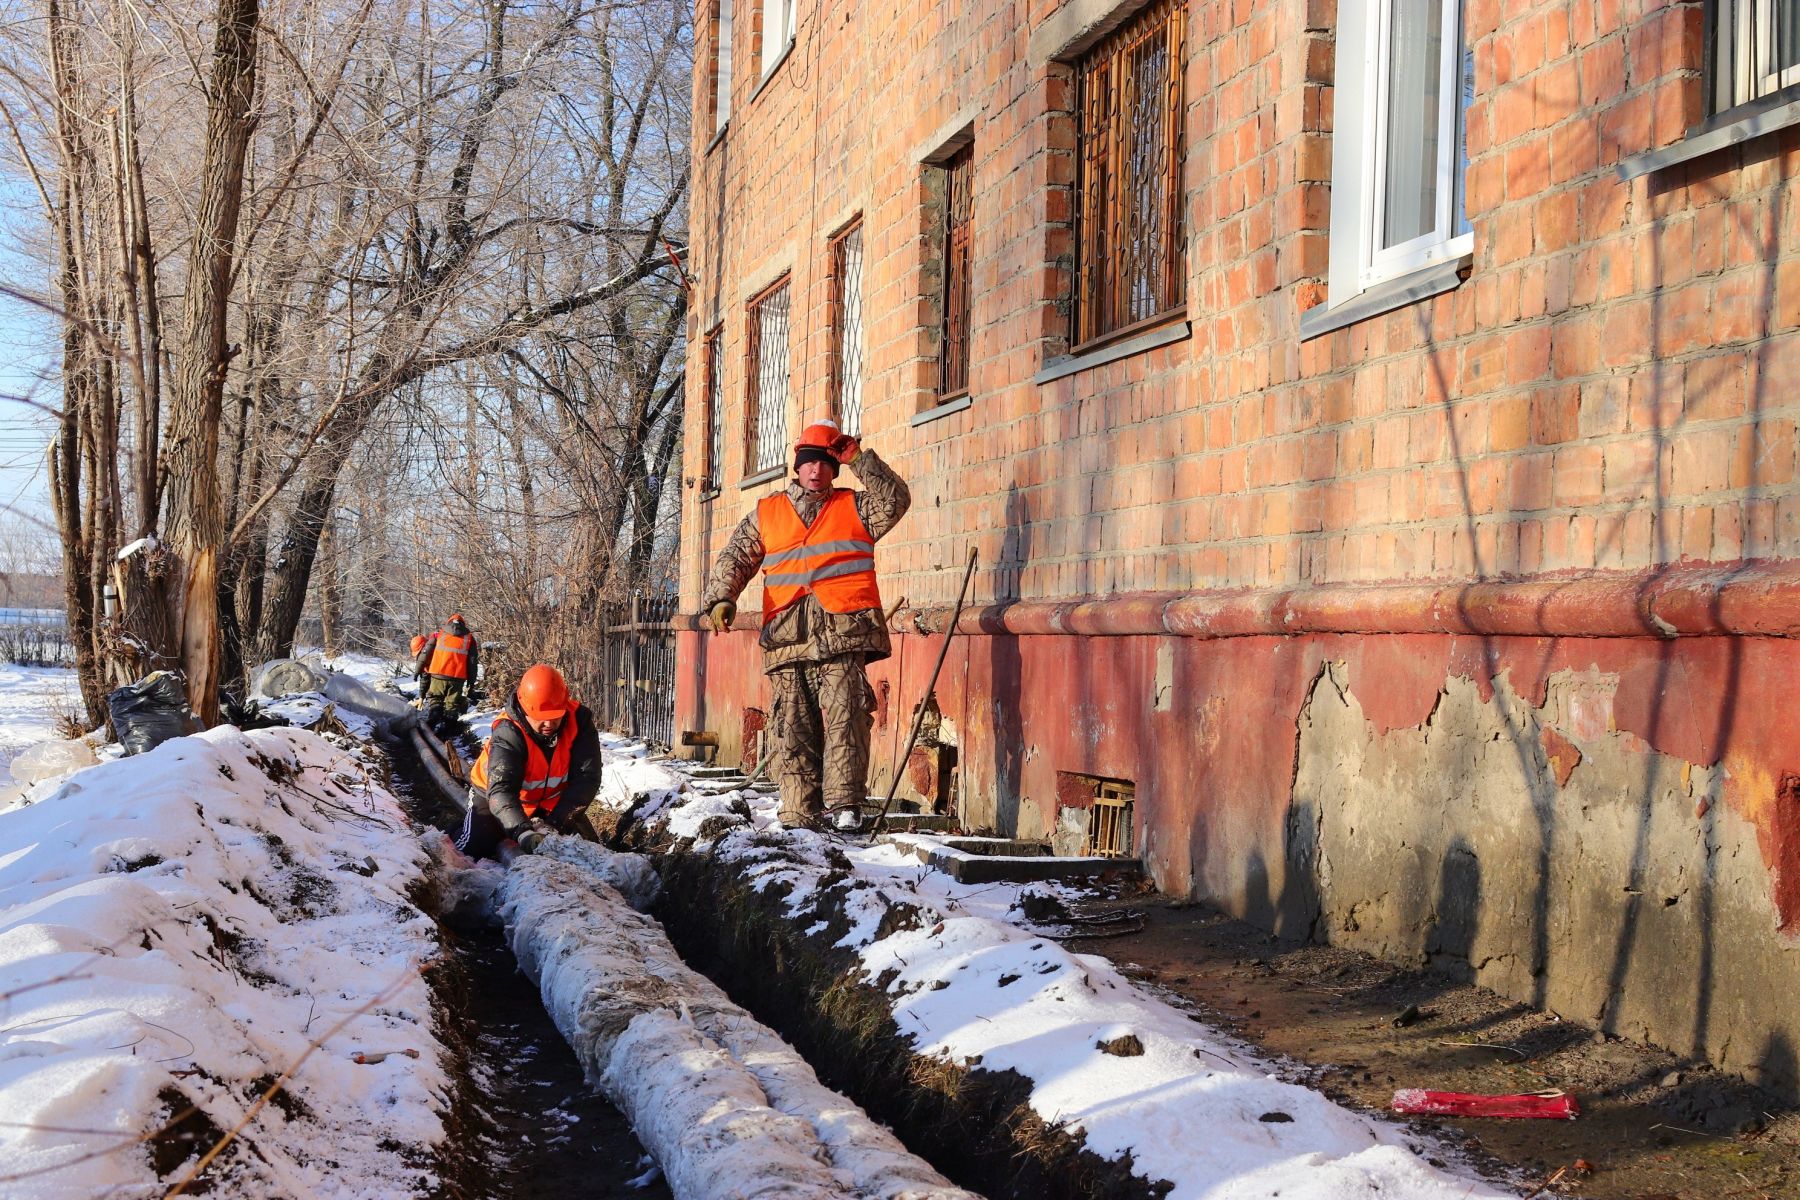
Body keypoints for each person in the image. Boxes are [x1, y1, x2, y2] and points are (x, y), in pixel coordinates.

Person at [702, 419, 910, 828]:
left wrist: (858, 459)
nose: (817, 470)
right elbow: (735, 557)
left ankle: (845, 808)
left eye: (825, 463)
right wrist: (721, 599)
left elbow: (896, 500)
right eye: (809, 462)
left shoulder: (856, 506)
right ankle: (799, 813)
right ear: (797, 466)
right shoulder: (768, 513)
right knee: (791, 727)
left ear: (834, 469)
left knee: (845, 719)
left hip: (842, 635)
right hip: (787, 638)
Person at [456, 664, 601, 860]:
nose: (549, 724)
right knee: (472, 847)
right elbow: (501, 790)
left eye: (555, 716)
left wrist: (555, 825)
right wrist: (523, 833)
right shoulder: (509, 731)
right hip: (494, 798)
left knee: (590, 851)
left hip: (551, 802)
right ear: (524, 709)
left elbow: (587, 778)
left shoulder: (580, 721)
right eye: (541, 718)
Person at [413, 613, 480, 732]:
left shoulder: (438, 634)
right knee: (451, 704)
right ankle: (448, 732)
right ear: (463, 624)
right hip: (458, 677)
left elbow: (425, 653)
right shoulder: (470, 639)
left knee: (435, 698)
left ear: (448, 622)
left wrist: (417, 670)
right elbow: (472, 662)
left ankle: (433, 720)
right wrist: (471, 681)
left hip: (438, 674)